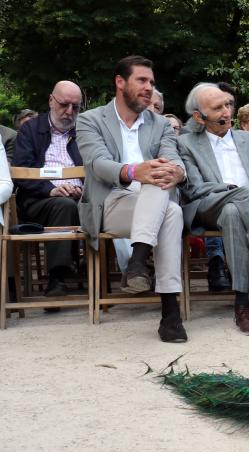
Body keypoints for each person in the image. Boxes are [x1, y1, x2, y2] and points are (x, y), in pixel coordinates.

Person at [76, 55, 187, 341]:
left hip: (155, 202)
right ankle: (168, 308)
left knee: (170, 207)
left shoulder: (160, 124)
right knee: (156, 184)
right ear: (120, 82)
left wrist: (178, 173)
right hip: (110, 203)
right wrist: (136, 171)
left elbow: (175, 161)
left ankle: (139, 264)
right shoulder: (91, 120)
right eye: (142, 80)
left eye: (151, 82)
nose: (149, 87)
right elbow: (98, 164)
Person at [178, 82, 249, 335]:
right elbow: (196, 189)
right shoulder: (186, 143)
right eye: (217, 108)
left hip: (247, 211)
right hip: (208, 208)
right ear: (199, 116)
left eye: (228, 105)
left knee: (233, 213)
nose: (227, 112)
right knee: (244, 198)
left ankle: (241, 305)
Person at [12, 80, 84, 296]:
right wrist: (50, 189)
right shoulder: (30, 130)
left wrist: (83, 187)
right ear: (51, 101)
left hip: (83, 198)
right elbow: (22, 171)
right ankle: (58, 276)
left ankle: (94, 267)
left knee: (99, 203)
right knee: (63, 204)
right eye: (64, 104)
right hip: (38, 201)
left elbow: (98, 165)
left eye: (75, 107)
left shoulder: (84, 132)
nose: (69, 111)